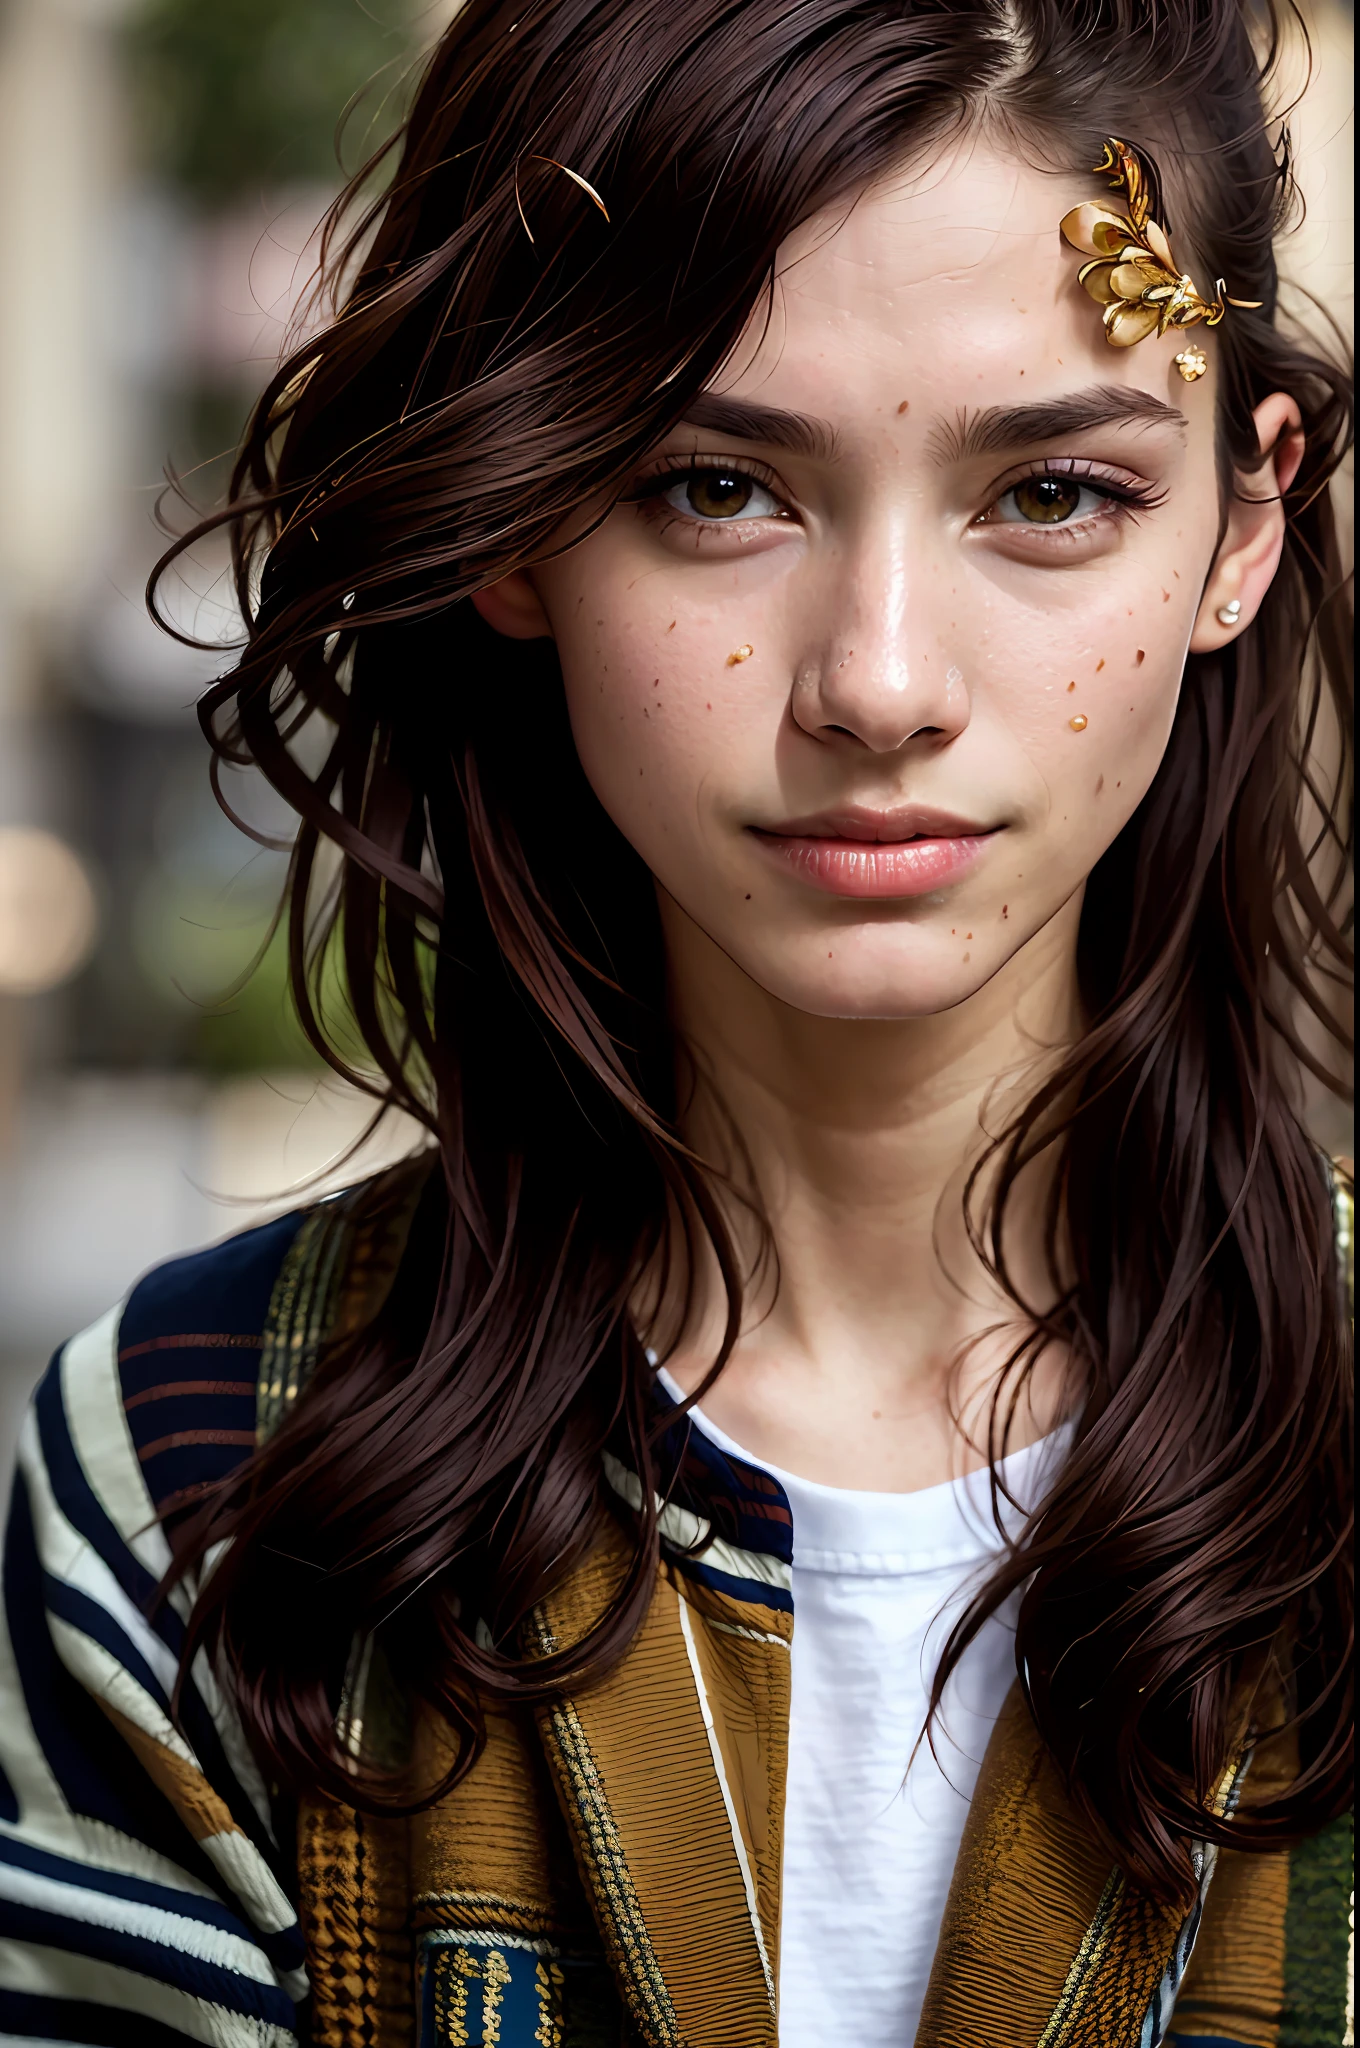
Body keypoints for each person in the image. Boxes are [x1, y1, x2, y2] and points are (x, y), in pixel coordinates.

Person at [0, 1, 1352, 2043]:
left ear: (1238, 527)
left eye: (1053, 493)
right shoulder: (192, 1471)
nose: (879, 681)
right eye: (718, 484)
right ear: (523, 526)